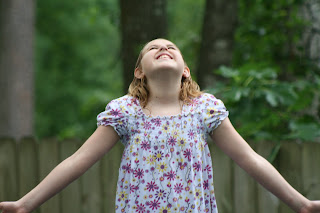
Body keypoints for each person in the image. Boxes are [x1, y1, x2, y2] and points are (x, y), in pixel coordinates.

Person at [0, 38, 319, 213]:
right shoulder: (125, 112)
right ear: (139, 71)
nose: (163, 48)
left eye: (171, 48)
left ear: (185, 71)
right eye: (153, 48)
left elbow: (251, 159)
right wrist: (25, 204)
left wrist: (301, 203)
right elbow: (77, 161)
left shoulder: (204, 109)